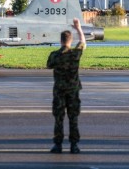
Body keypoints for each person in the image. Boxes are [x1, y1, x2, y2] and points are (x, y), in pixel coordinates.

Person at [47, 18, 86, 154]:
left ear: (61, 40)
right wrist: (78, 28)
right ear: (70, 40)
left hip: (59, 91)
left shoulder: (54, 55)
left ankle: (58, 145)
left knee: (59, 119)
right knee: (73, 119)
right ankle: (74, 146)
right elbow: (83, 43)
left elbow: (49, 65)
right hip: (73, 91)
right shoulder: (75, 54)